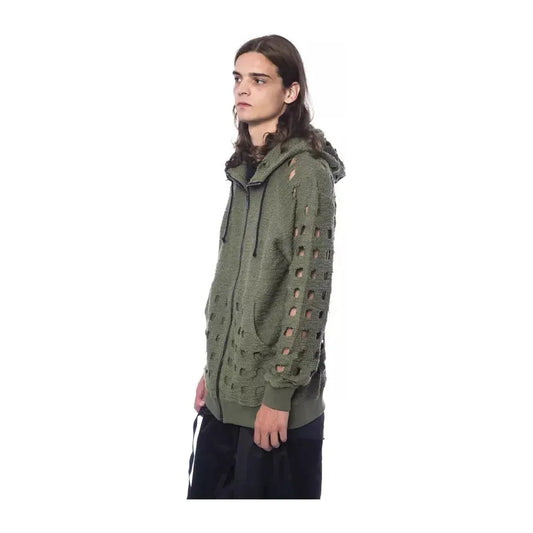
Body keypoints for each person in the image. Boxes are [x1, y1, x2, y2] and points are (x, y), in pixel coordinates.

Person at [187, 34, 346, 499]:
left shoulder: (307, 175)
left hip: (273, 413)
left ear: (290, 92)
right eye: (238, 78)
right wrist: (214, 370)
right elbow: (236, 281)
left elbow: (309, 293)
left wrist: (278, 395)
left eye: (259, 80)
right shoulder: (244, 171)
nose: (243, 88)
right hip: (225, 399)